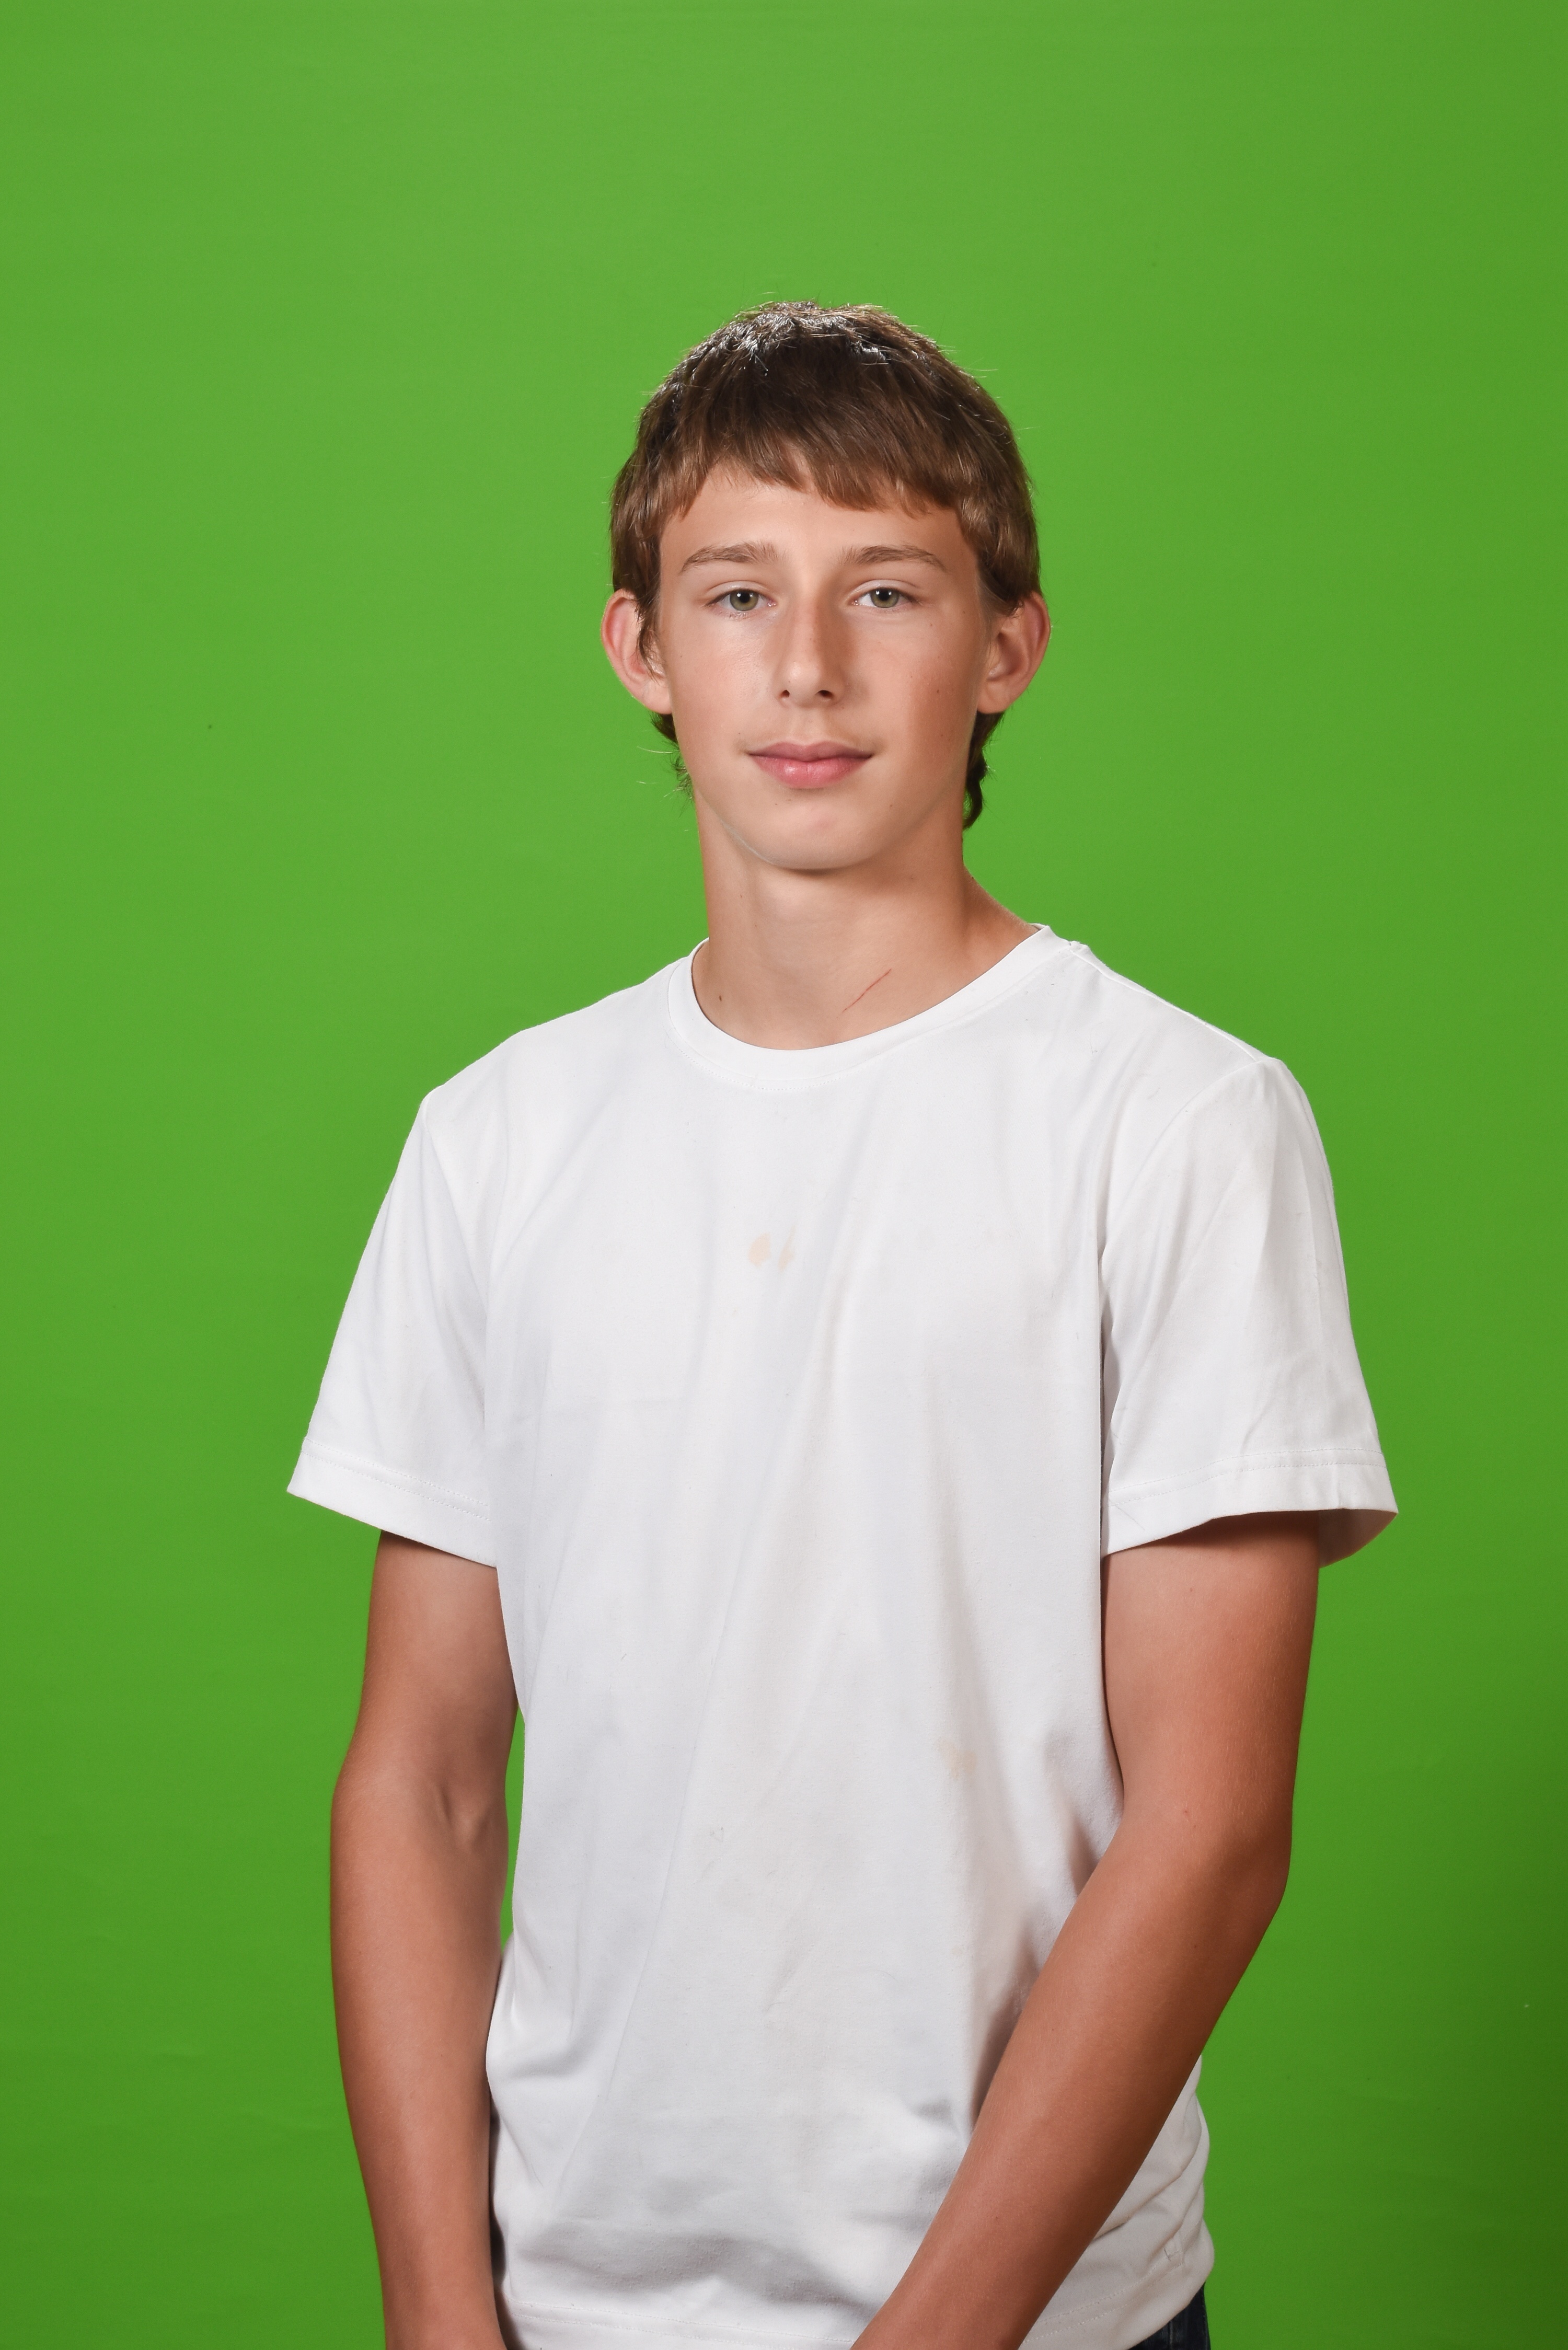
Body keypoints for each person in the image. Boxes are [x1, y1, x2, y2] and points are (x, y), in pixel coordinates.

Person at [289, 302, 1395, 2350]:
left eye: (886, 587)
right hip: (566, 2301)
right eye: (738, 593)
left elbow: (1213, 1827)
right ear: (642, 646)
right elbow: (421, 1780)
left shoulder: (1176, 1122)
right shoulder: (499, 1138)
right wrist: (442, 2315)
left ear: (1007, 645)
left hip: (1030, 2316)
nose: (806, 663)